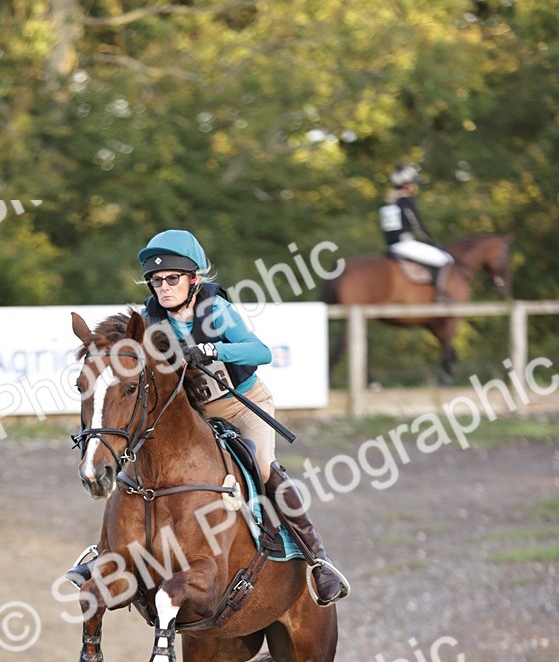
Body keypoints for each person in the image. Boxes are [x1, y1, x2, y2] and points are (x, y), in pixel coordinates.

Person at [67, 229, 349, 606]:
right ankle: (105, 554)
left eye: (172, 279)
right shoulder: (150, 318)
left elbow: (260, 351)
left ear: (193, 279)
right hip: (193, 410)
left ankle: (318, 561)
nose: (163, 287)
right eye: (156, 281)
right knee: (135, 463)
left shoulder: (214, 310)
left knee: (263, 466)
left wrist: (210, 349)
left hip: (241, 403)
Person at [379, 165, 454, 299]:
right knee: (446, 259)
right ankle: (440, 295)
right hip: (405, 244)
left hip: (390, 246)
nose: (415, 186)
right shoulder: (405, 201)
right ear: (406, 184)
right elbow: (417, 226)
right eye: (413, 183)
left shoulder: (387, 203)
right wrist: (432, 243)